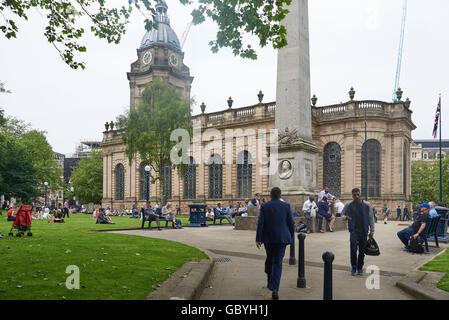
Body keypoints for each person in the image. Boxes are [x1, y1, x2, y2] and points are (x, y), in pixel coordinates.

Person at [256, 187, 295, 300]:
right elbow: (291, 223)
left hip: (268, 238)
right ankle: (275, 289)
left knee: (270, 258)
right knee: (278, 262)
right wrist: (291, 236)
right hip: (282, 238)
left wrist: (258, 238)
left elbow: (260, 223)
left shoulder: (265, 206)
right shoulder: (286, 206)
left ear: (271, 195)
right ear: (280, 195)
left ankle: (270, 281)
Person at [342, 188, 375, 276]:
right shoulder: (348, 204)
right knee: (353, 249)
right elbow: (342, 214)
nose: (356, 196)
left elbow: (371, 218)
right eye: (354, 195)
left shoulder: (367, 205)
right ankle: (353, 267)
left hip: (364, 230)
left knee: (362, 251)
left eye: (358, 195)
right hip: (353, 231)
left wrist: (372, 230)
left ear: (360, 194)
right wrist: (345, 217)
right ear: (352, 196)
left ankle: (360, 268)